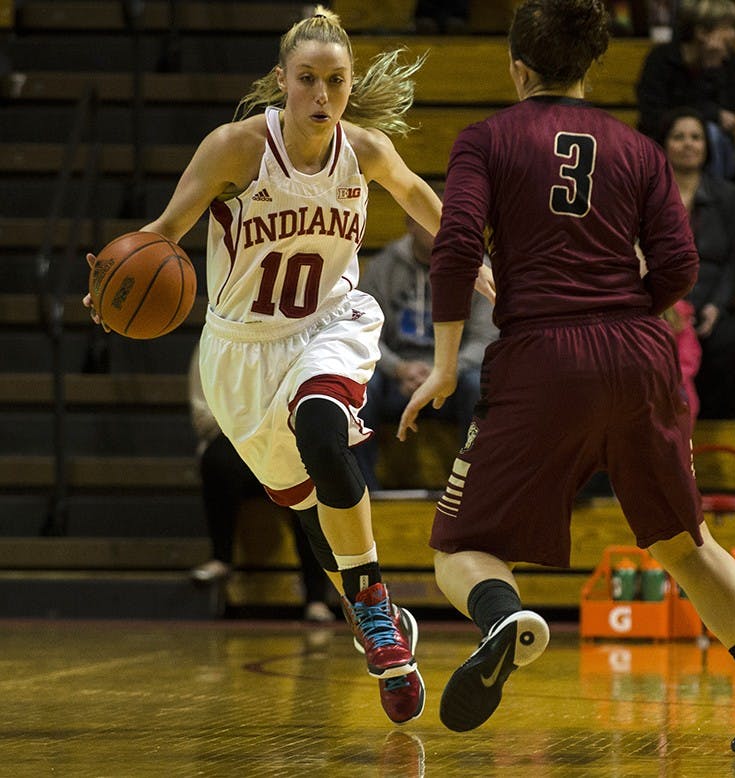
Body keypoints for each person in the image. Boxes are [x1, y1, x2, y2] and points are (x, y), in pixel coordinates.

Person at [399, 0, 735, 759]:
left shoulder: (486, 141)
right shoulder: (639, 149)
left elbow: (457, 245)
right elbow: (681, 267)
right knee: (687, 544)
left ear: (517, 65)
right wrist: (622, 314)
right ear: (590, 67)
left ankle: (503, 617)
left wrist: (444, 365)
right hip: (640, 353)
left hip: (542, 357)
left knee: (460, 546)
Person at [80, 6, 470, 725]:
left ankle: (374, 607)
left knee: (324, 432)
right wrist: (112, 284)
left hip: (328, 325)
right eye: (307, 80)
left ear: (349, 86)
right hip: (239, 350)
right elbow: (162, 234)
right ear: (281, 84)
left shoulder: (366, 151)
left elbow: (419, 195)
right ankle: (372, 614)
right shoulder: (235, 148)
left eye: (336, 81)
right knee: (308, 511)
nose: (322, 96)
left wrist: (470, 257)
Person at [187, 344, 335, 623]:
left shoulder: (288, 337)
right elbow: (202, 415)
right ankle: (221, 558)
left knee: (306, 469)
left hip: (283, 439)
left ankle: (316, 597)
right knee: (216, 459)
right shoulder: (212, 342)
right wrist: (250, 427)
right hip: (235, 442)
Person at [355, 205, 497, 490]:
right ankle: (364, 494)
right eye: (428, 219)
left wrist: (443, 369)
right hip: (398, 376)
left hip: (454, 375)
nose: (438, 229)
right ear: (410, 224)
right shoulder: (383, 267)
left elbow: (485, 339)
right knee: (359, 387)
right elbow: (363, 332)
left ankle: (475, 490)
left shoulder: (478, 269)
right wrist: (398, 368)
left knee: (480, 385)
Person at [661, 106, 735, 419]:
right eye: (679, 136)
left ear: (707, 146)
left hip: (710, 297)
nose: (688, 144)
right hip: (662, 302)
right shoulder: (647, 193)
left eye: (696, 137)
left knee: (729, 337)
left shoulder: (728, 197)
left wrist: (717, 306)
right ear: (665, 144)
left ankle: (712, 420)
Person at [636, 0, 735, 179]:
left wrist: (712, 69)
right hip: (662, 141)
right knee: (690, 135)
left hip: (711, 148)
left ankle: (713, 199)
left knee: (713, 135)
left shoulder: (730, 63)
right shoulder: (661, 59)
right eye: (727, 27)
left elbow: (729, 118)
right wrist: (711, 112)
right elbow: (652, 116)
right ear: (701, 32)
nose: (734, 34)